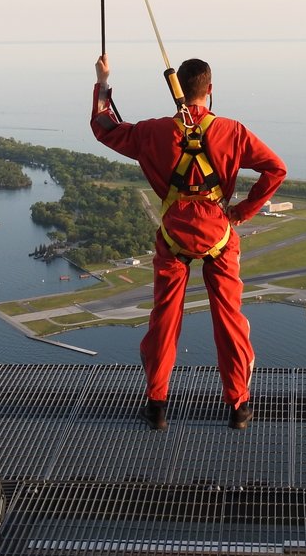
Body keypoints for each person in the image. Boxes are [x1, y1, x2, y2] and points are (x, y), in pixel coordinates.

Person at [91, 54, 286, 431]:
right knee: (229, 319)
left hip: (173, 237)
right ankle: (238, 407)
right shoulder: (232, 131)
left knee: (165, 319)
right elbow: (276, 169)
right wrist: (242, 211)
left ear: (176, 90)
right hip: (219, 235)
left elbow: (105, 127)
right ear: (210, 90)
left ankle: (157, 406)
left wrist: (103, 82)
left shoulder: (153, 132)